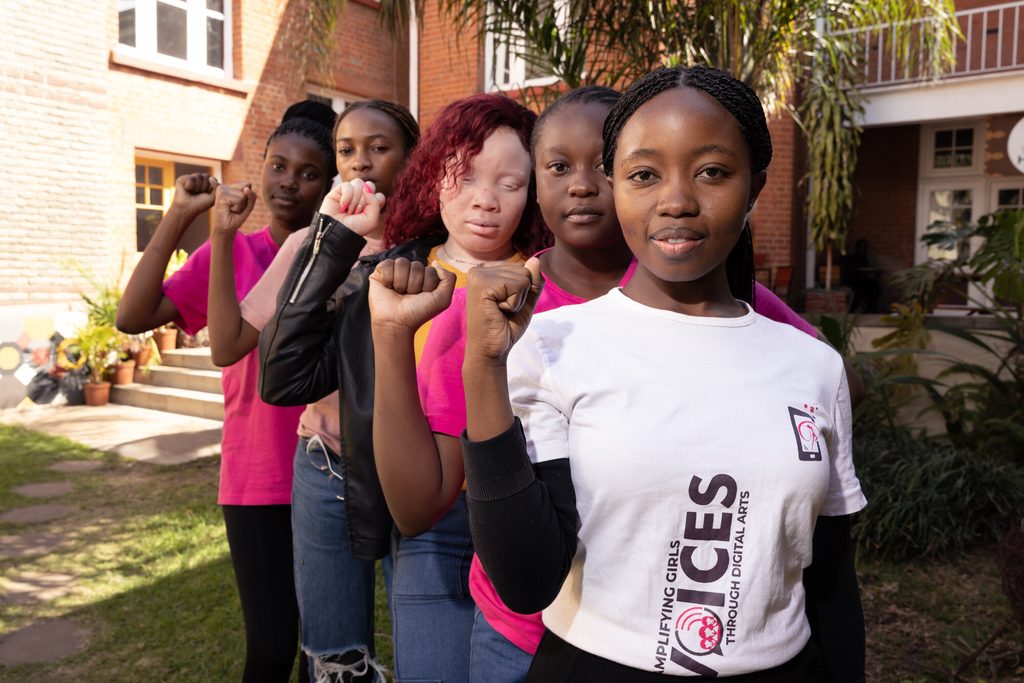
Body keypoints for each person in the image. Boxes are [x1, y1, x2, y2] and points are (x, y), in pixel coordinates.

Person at [457, 65, 867, 681]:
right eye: (644, 174)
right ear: (617, 185)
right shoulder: (553, 344)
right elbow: (525, 581)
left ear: (754, 185)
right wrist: (484, 369)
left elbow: (832, 582)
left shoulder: (813, 367)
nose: (675, 200)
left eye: (711, 172)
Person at [258, 93, 546, 682]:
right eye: (464, 176)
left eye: (511, 183)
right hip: (429, 530)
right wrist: (334, 240)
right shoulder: (389, 275)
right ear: (434, 171)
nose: (485, 200)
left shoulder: (549, 278)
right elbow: (284, 375)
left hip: (525, 518)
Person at [117, 106, 337, 681]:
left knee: (330, 647)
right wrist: (179, 216)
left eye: (309, 173)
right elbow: (133, 315)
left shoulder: (344, 260)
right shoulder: (230, 251)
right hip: (257, 477)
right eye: (278, 166)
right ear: (261, 169)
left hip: (334, 471)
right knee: (270, 648)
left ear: (331, 184)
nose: (289, 182)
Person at [207, 99, 420, 683]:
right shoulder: (310, 240)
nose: (362, 164)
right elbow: (270, 362)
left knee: (425, 641)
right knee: (332, 654)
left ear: (412, 157)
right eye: (347, 151)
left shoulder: (434, 241)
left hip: (415, 467)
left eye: (379, 148)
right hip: (324, 461)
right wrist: (328, 245)